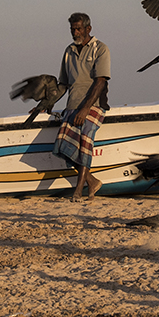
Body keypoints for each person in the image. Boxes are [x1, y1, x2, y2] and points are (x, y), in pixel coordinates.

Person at [55, 12, 111, 200]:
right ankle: (92, 181)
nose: (75, 32)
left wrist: (86, 109)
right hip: (72, 104)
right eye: (73, 29)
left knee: (85, 138)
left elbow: (100, 81)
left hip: (93, 104)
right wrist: (44, 104)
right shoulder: (68, 51)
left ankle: (79, 189)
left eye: (79, 29)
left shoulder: (100, 49)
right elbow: (63, 84)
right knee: (62, 145)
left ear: (88, 29)